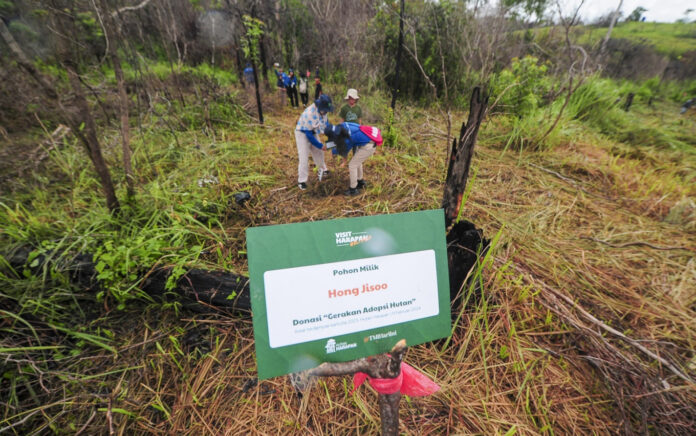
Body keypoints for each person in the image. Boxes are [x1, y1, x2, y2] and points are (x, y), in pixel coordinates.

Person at [324, 121, 382, 196]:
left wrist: (342, 160)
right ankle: (360, 182)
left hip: (369, 145)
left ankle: (353, 190)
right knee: (357, 161)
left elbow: (344, 150)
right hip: (367, 139)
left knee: (352, 165)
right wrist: (327, 146)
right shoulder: (343, 125)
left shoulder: (347, 139)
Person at [294, 94, 334, 190]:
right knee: (304, 156)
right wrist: (320, 145)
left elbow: (326, 124)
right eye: (325, 110)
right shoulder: (309, 114)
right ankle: (302, 181)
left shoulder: (324, 111)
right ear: (320, 107)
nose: (326, 112)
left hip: (313, 131)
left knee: (319, 153)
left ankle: (323, 169)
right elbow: (309, 135)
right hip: (303, 132)